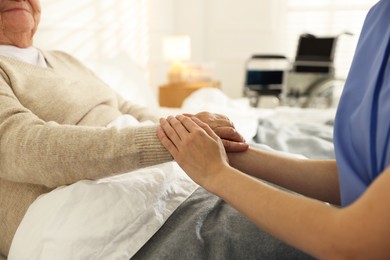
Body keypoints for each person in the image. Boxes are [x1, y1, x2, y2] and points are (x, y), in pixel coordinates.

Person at [0, 0, 248, 257]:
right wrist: (174, 140)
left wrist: (188, 126)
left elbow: (126, 107)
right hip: (96, 209)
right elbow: (26, 147)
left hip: (156, 178)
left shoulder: (63, 59)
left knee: (275, 196)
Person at [157, 0, 390, 259]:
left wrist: (216, 173)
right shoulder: (380, 19)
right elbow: (363, 178)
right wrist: (233, 155)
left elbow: (355, 242)